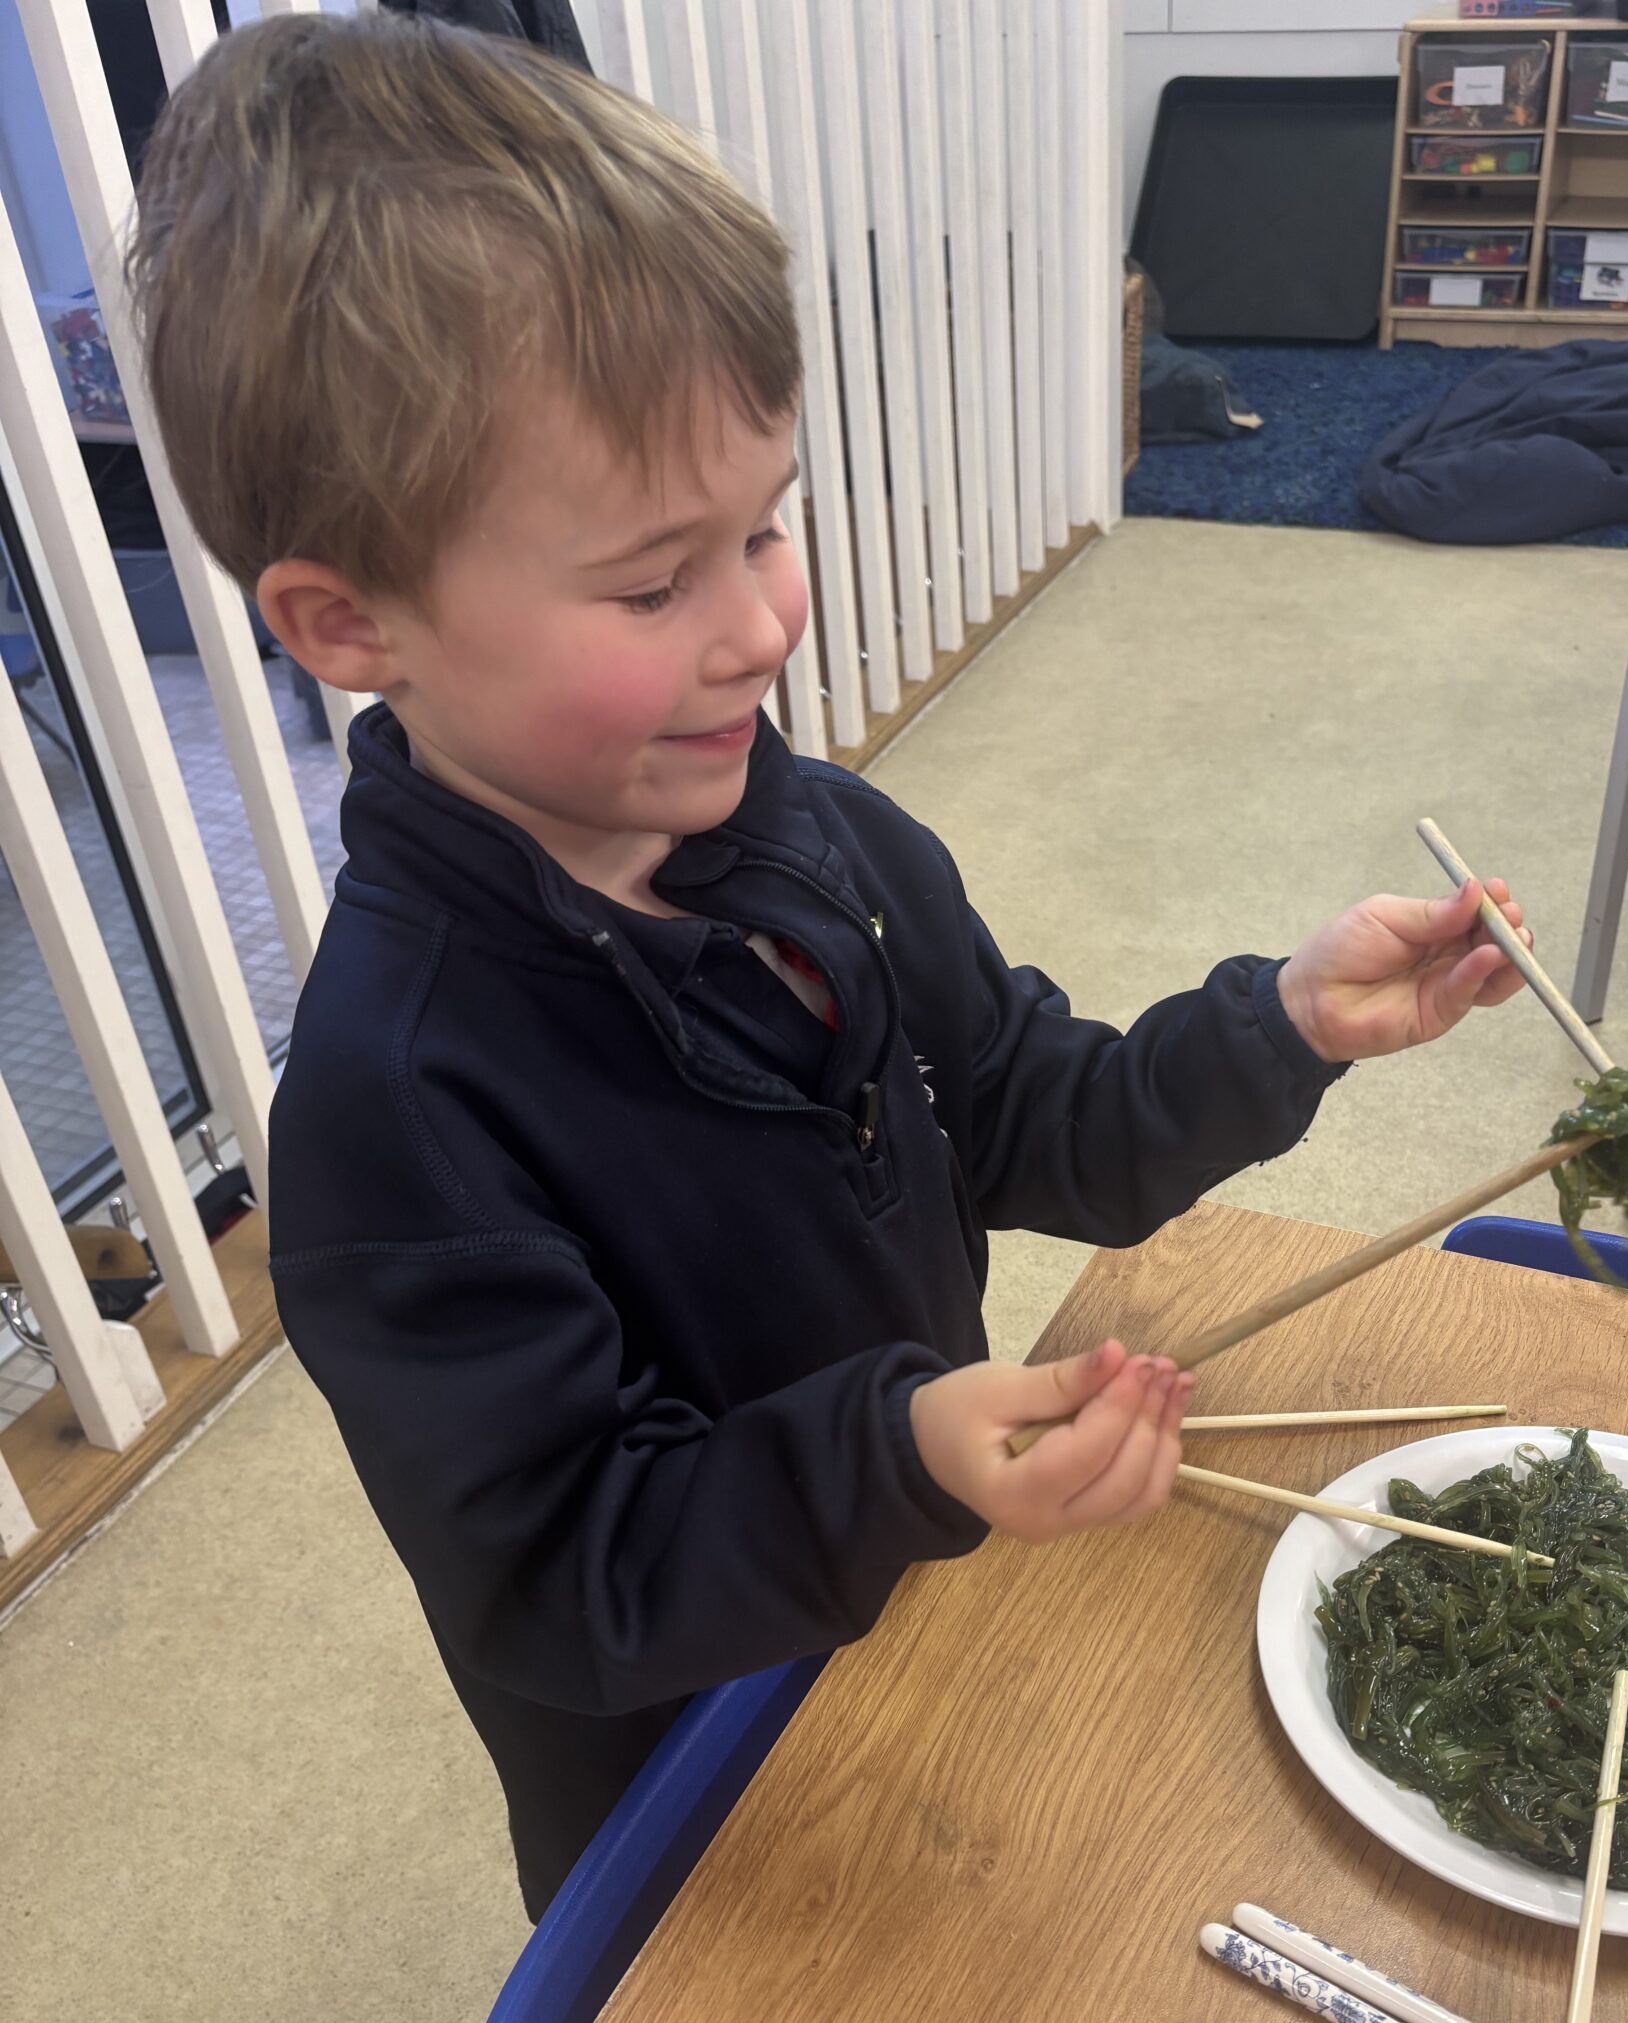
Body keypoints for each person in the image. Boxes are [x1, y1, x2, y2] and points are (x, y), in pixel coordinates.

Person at [128, 15, 1532, 1918]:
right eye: (653, 582)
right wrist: (896, 1457)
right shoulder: (397, 1115)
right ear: (347, 623)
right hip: (694, 1790)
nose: (762, 626)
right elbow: (569, 1576)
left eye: (764, 527)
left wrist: (1278, 1026)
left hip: (918, 1602)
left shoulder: (826, 839)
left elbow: (1032, 1116)